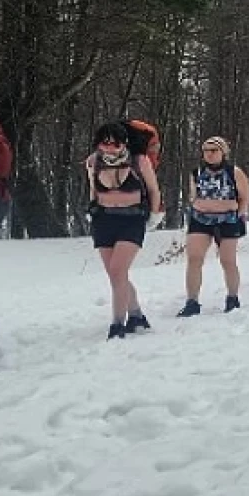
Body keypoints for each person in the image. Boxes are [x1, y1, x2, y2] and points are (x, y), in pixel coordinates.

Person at [86, 122, 162, 340]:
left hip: (132, 220)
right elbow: (93, 190)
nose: (109, 148)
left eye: (115, 143)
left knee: (118, 270)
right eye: (105, 143)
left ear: (124, 143)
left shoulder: (139, 162)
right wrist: (92, 210)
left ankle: (117, 324)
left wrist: (154, 215)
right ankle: (136, 313)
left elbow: (154, 191)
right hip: (103, 220)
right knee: (114, 274)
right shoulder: (94, 162)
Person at [180, 136, 249, 316]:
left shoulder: (234, 172)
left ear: (223, 152)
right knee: (194, 259)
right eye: (206, 151)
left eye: (214, 150)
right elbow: (193, 195)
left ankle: (232, 298)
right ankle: (192, 301)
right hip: (200, 219)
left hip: (227, 219)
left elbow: (245, 196)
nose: (209, 154)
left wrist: (238, 214)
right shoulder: (196, 172)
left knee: (227, 260)